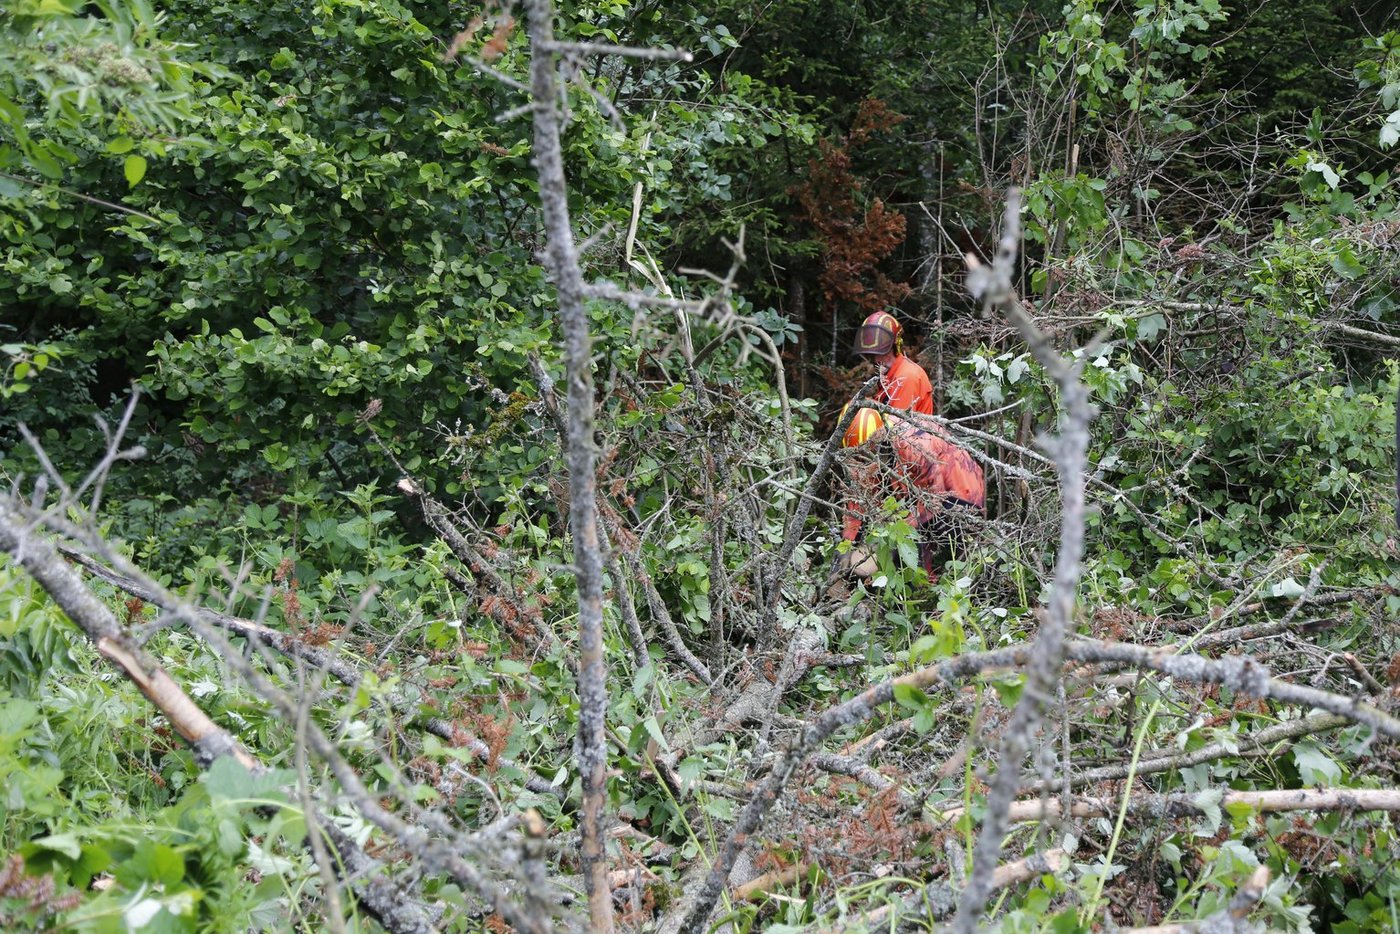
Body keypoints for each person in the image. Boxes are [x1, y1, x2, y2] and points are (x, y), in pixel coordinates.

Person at [836, 405, 985, 580]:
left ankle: (927, 584)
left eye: (867, 455)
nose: (863, 462)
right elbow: (859, 503)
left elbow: (932, 501)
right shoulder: (865, 447)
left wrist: (896, 535)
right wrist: (845, 548)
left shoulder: (915, 444)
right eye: (860, 457)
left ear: (880, 439)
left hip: (959, 493)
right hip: (918, 490)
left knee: (917, 537)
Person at [855, 310, 934, 417]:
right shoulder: (890, 375)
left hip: (912, 433)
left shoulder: (907, 376)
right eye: (873, 354)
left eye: (883, 352)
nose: (877, 360)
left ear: (895, 347)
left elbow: (897, 425)